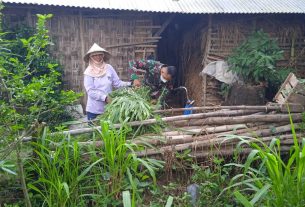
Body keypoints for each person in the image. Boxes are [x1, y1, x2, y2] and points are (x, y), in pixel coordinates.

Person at [83, 43, 140, 121]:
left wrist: (131, 83)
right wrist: (105, 98)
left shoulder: (109, 68)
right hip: (94, 110)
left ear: (103, 55)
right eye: (94, 55)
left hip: (108, 108)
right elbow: (91, 91)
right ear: (91, 57)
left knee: (109, 132)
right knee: (95, 132)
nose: (98, 57)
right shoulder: (88, 72)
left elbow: (117, 83)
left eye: (100, 54)